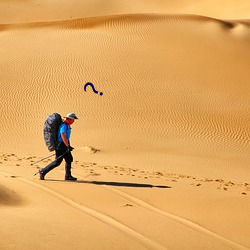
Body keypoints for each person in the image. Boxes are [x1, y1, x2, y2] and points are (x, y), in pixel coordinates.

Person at [39, 112, 78, 181]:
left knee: (69, 159)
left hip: (64, 145)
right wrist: (67, 146)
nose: (74, 121)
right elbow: (63, 135)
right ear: (70, 119)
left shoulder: (67, 125)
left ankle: (68, 175)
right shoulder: (64, 126)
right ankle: (43, 172)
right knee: (57, 162)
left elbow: (66, 137)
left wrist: (68, 145)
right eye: (73, 119)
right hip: (61, 145)